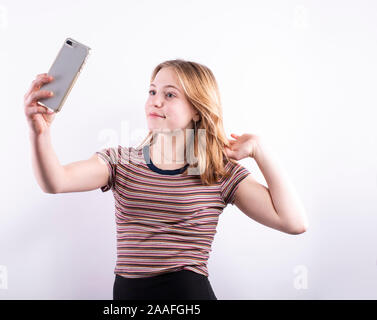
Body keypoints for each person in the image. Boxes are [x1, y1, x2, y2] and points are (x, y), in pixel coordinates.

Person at [23, 59, 308, 300]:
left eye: (170, 94)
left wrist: (260, 150)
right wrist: (40, 133)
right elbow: (56, 182)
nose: (155, 101)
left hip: (186, 295)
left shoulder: (216, 171)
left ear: (197, 108)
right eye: (152, 91)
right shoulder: (121, 161)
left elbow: (293, 223)